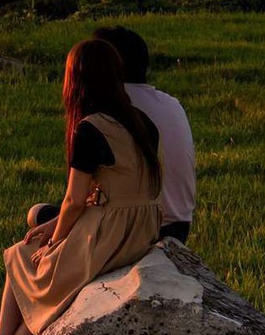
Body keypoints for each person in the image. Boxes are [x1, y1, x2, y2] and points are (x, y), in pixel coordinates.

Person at [0, 39, 164, 335]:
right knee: (34, 247)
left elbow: (72, 200)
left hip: (108, 233)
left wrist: (55, 241)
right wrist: (54, 226)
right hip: (141, 230)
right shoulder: (142, 122)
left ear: (76, 81)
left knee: (25, 253)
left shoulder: (91, 128)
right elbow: (121, 189)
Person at [26, 26, 197, 243]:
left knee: (37, 214)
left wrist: (54, 242)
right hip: (179, 227)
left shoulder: (108, 114)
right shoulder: (172, 104)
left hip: (133, 226)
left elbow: (78, 201)